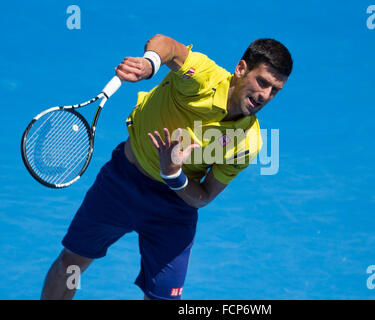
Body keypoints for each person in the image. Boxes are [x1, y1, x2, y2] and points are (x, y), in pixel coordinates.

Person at [40, 34, 293, 300]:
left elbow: (203, 196)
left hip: (173, 209)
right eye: (262, 82)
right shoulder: (202, 77)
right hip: (122, 183)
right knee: (72, 264)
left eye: (275, 90)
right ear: (241, 69)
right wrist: (149, 64)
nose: (265, 95)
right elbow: (166, 45)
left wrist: (173, 174)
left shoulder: (246, 142)